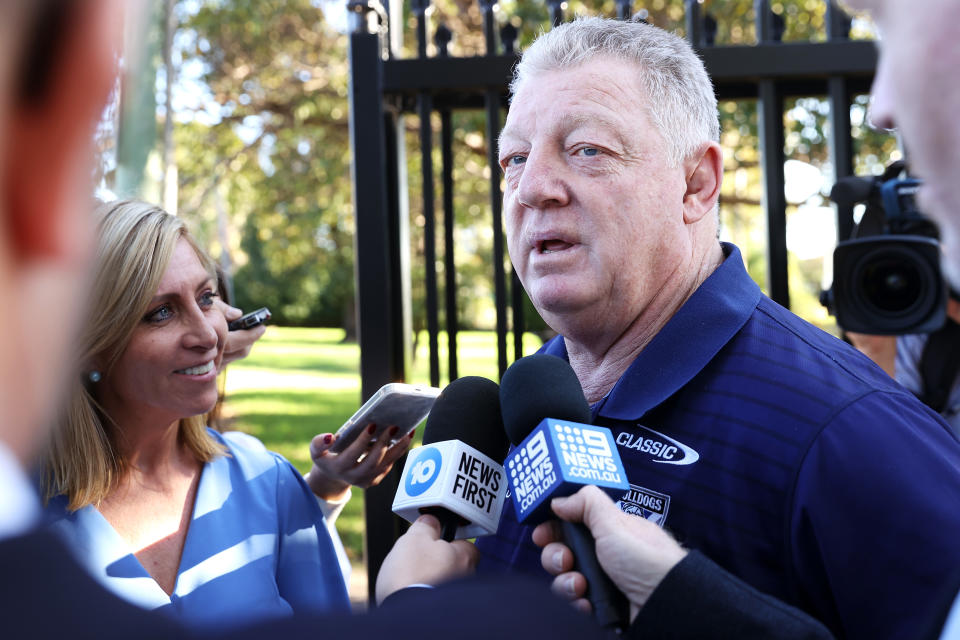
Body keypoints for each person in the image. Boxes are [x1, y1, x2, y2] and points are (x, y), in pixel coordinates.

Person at [0, 3, 605, 639]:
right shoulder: (29, 501)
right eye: (158, 312)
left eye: (208, 298)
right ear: (90, 343)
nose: (209, 331)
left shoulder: (265, 483)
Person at [474, 15, 960, 640]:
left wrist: (694, 608)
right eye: (515, 158)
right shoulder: (519, 411)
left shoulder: (848, 432)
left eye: (587, 149)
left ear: (697, 183)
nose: (533, 188)